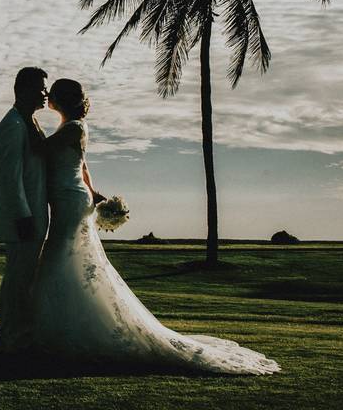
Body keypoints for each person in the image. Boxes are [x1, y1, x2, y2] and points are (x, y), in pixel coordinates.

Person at [32, 78, 280, 374]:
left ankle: (65, 336)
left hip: (69, 200)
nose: (49, 96)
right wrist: (95, 192)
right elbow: (83, 166)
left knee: (60, 260)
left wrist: (30, 123)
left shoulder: (72, 127)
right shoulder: (72, 128)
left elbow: (43, 151)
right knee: (66, 262)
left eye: (54, 93)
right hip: (70, 196)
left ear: (62, 98)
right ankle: (61, 332)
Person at [0, 66, 49, 353]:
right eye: (40, 88)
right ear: (24, 90)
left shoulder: (29, 122)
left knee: (27, 281)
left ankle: (21, 336)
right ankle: (11, 340)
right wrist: (23, 215)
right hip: (23, 219)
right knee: (17, 282)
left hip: (35, 216)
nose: (45, 93)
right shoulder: (12, 126)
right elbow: (10, 177)